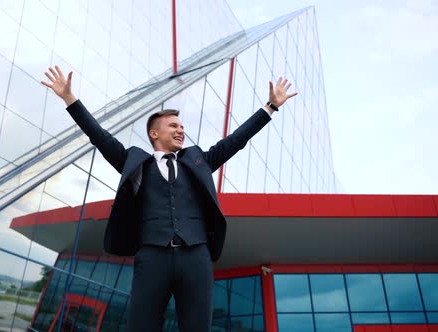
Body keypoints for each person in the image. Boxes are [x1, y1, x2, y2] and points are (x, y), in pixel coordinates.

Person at [42, 65, 297, 331]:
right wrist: (70, 99)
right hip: (152, 257)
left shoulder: (198, 161)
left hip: (196, 256)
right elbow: (99, 136)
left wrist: (270, 107)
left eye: (182, 126)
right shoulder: (135, 162)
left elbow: (236, 140)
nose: (180, 130)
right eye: (173, 125)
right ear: (154, 134)